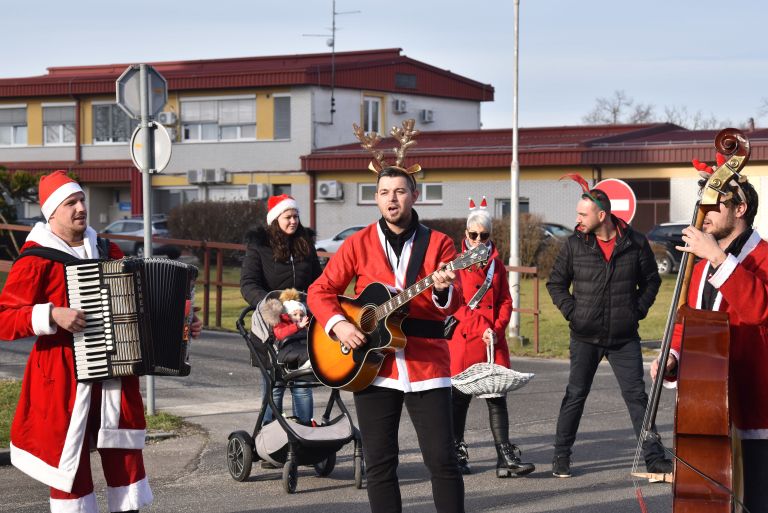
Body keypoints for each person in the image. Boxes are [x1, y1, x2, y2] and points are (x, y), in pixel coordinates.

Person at [0, 170, 202, 513]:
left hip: (116, 377)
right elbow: (5, 319)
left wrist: (183, 322)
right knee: (71, 465)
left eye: (81, 200)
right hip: (63, 380)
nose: (81, 207)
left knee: (125, 458)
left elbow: (138, 306)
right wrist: (50, 315)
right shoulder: (37, 261)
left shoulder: (108, 249)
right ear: (52, 212)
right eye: (71, 203)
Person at [308, 159, 465, 512]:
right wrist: (340, 325)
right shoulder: (357, 243)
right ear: (376, 199)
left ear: (414, 195)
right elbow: (320, 291)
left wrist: (441, 289)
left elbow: (453, 303)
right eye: (383, 193)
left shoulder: (439, 243)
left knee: (443, 460)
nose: (391, 199)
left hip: (428, 366)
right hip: (371, 368)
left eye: (398, 191)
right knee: (379, 465)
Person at [651, 154, 768, 513]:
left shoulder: (763, 257)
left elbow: (759, 309)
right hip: (710, 408)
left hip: (757, 406)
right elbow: (689, 326)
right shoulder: (699, 267)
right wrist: (671, 357)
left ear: (741, 208)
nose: (704, 214)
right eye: (702, 205)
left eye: (714, 205)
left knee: (758, 502)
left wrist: (719, 259)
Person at [546, 178, 672, 478]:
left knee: (638, 399)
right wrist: (574, 313)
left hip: (624, 337)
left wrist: (636, 311)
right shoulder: (575, 243)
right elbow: (556, 284)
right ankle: (561, 457)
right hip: (584, 336)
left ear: (602, 216)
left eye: (582, 214)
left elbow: (652, 281)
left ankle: (653, 458)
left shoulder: (635, 242)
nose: (577, 219)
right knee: (575, 395)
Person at [448, 197, 535, 478]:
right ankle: (456, 452)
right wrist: (480, 328)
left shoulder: (497, 264)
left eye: (483, 235)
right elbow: (456, 305)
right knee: (459, 399)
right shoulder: (456, 264)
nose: (477, 239)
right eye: (473, 234)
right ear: (465, 235)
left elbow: (506, 300)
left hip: (492, 340)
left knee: (497, 397)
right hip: (465, 339)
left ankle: (504, 457)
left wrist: (496, 329)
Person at [240, 194, 322, 426]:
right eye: (288, 217)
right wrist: (270, 305)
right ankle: (268, 436)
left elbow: (318, 280)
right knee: (275, 384)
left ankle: (306, 432)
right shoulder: (260, 245)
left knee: (303, 383)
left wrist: (318, 303)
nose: (294, 221)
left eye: (296, 216)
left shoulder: (305, 243)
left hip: (302, 321)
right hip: (272, 322)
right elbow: (248, 283)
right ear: (276, 219)